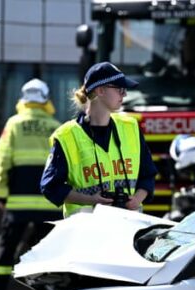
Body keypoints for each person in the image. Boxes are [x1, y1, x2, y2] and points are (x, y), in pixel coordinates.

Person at [0, 78, 61, 290]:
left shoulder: (14, 124)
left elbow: (3, 159)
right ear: (46, 99)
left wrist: (1, 194)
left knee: (5, 251)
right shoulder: (55, 126)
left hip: (18, 203)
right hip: (48, 204)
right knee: (46, 253)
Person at [40, 62, 157, 217]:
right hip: (86, 234)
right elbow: (51, 187)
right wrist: (90, 200)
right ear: (100, 90)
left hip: (127, 230)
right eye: (119, 89)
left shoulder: (131, 127)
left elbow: (148, 176)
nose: (125, 94)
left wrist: (136, 199)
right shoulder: (66, 136)